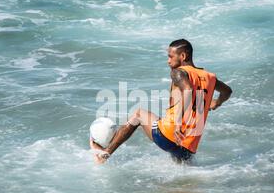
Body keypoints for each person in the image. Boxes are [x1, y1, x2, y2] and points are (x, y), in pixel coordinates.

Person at [90, 39, 232, 164]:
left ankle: (105, 154)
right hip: (188, 149)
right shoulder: (210, 77)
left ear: (183, 56)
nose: (168, 61)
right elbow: (227, 91)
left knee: (139, 114)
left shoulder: (178, 72)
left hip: (169, 136)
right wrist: (216, 102)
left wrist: (177, 124)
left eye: (170, 56)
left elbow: (188, 90)